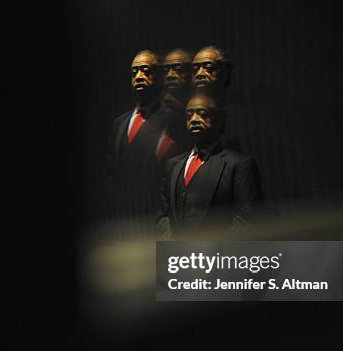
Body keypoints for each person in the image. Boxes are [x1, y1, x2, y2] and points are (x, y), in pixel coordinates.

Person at [157, 94, 263, 238]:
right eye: (189, 115)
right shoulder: (172, 165)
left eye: (202, 114)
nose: (194, 120)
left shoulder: (239, 165)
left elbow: (247, 219)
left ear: (219, 120)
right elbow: (164, 215)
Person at [106, 49, 179, 237]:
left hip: (158, 221)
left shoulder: (174, 120)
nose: (139, 76)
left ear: (160, 76)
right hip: (123, 221)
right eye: (135, 72)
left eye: (146, 71)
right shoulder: (119, 124)